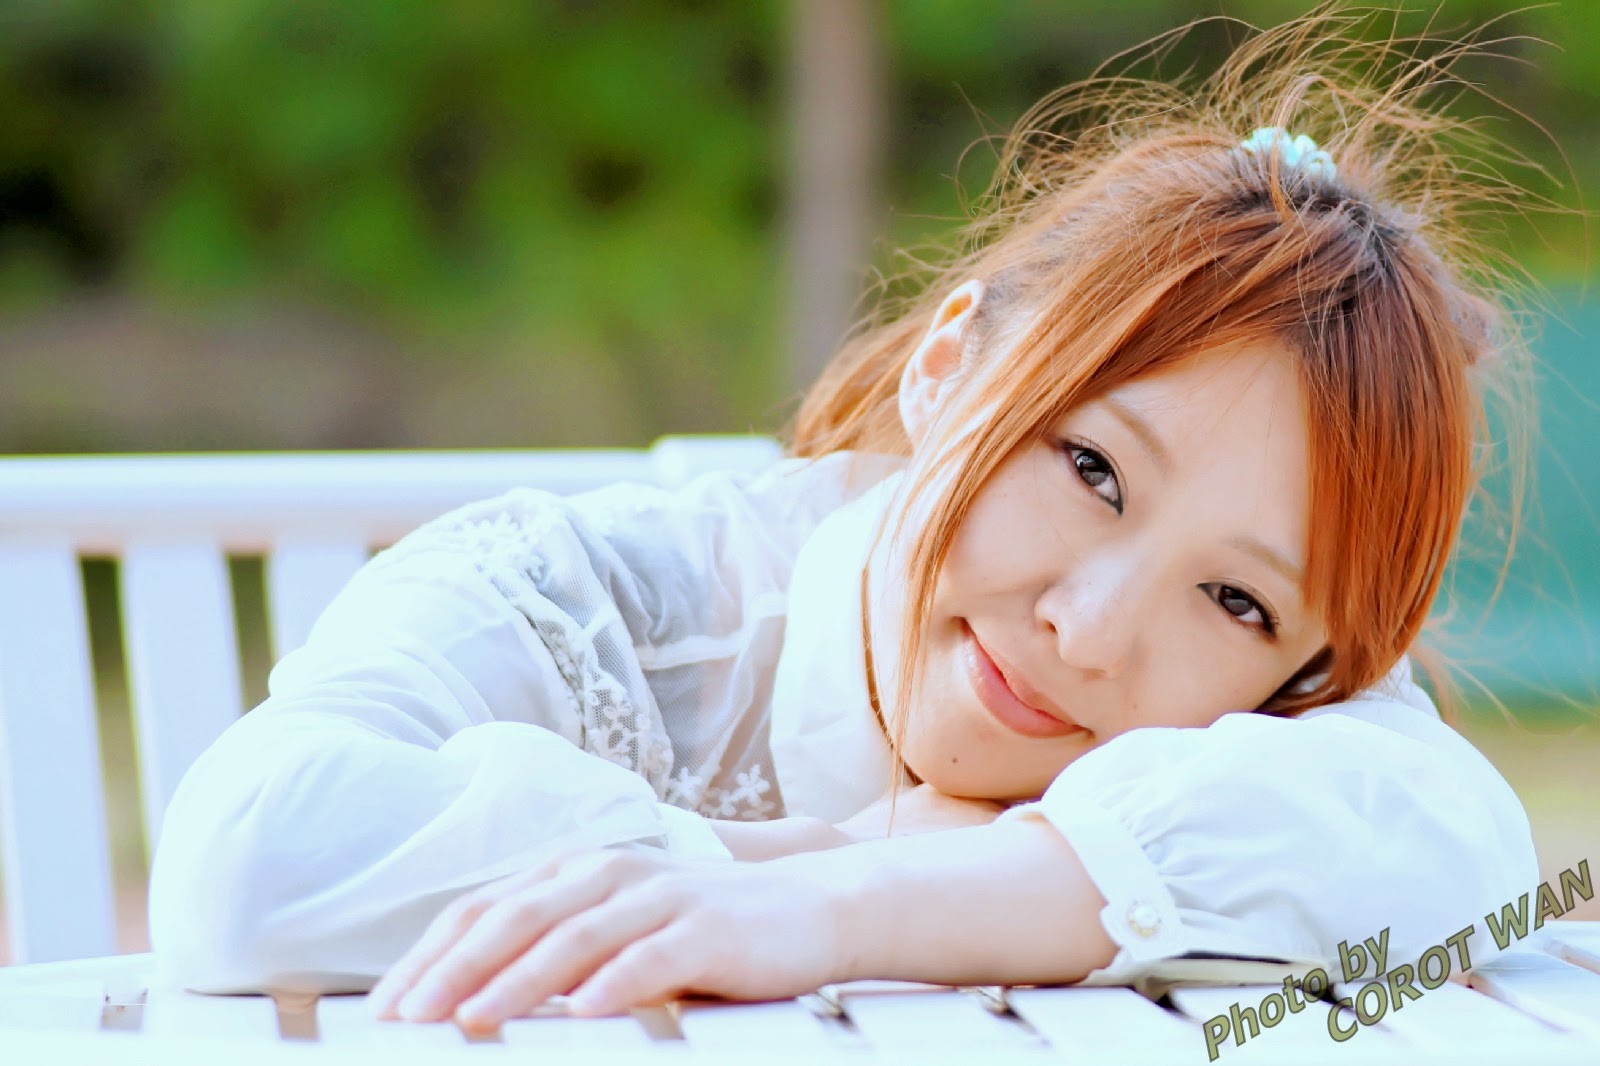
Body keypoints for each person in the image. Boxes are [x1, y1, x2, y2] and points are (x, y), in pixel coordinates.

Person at [148, 10, 1543, 1032]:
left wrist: (841, 905)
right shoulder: (594, 604)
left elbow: (1465, 844)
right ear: (944, 367)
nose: (1090, 630)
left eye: (1236, 600)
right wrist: (807, 853)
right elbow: (246, 856)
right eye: (1091, 469)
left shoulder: (1272, 735)